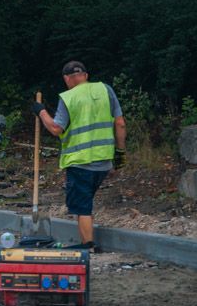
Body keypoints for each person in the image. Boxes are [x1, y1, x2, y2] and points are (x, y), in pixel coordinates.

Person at [32, 61, 127, 251]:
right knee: (86, 201)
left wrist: (41, 111)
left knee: (82, 206)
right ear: (86, 75)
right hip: (104, 161)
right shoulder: (105, 90)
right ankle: (86, 242)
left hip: (80, 162)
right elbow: (120, 123)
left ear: (67, 79)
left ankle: (88, 246)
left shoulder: (69, 97)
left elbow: (56, 128)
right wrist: (120, 153)